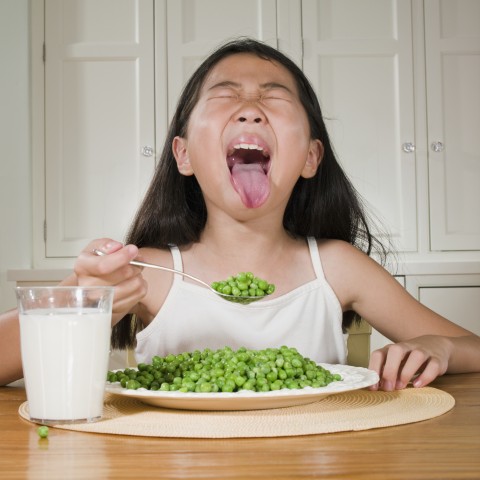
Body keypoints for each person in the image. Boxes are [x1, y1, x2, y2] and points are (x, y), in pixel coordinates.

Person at [1, 38, 479, 389]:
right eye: (226, 95)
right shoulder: (152, 272)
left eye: (273, 96)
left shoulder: (336, 267)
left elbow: (473, 349)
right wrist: (79, 300)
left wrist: (438, 347)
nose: (250, 110)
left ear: (311, 157)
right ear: (183, 155)